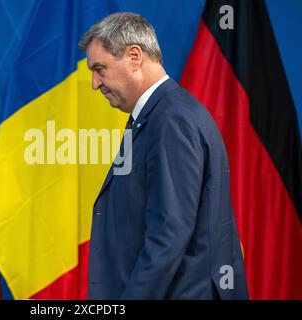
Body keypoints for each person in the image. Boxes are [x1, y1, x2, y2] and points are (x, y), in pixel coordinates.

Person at [79, 12, 249, 299]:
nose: (95, 83)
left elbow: (168, 235)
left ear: (134, 57)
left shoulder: (171, 120)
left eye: (100, 68)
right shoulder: (160, 115)